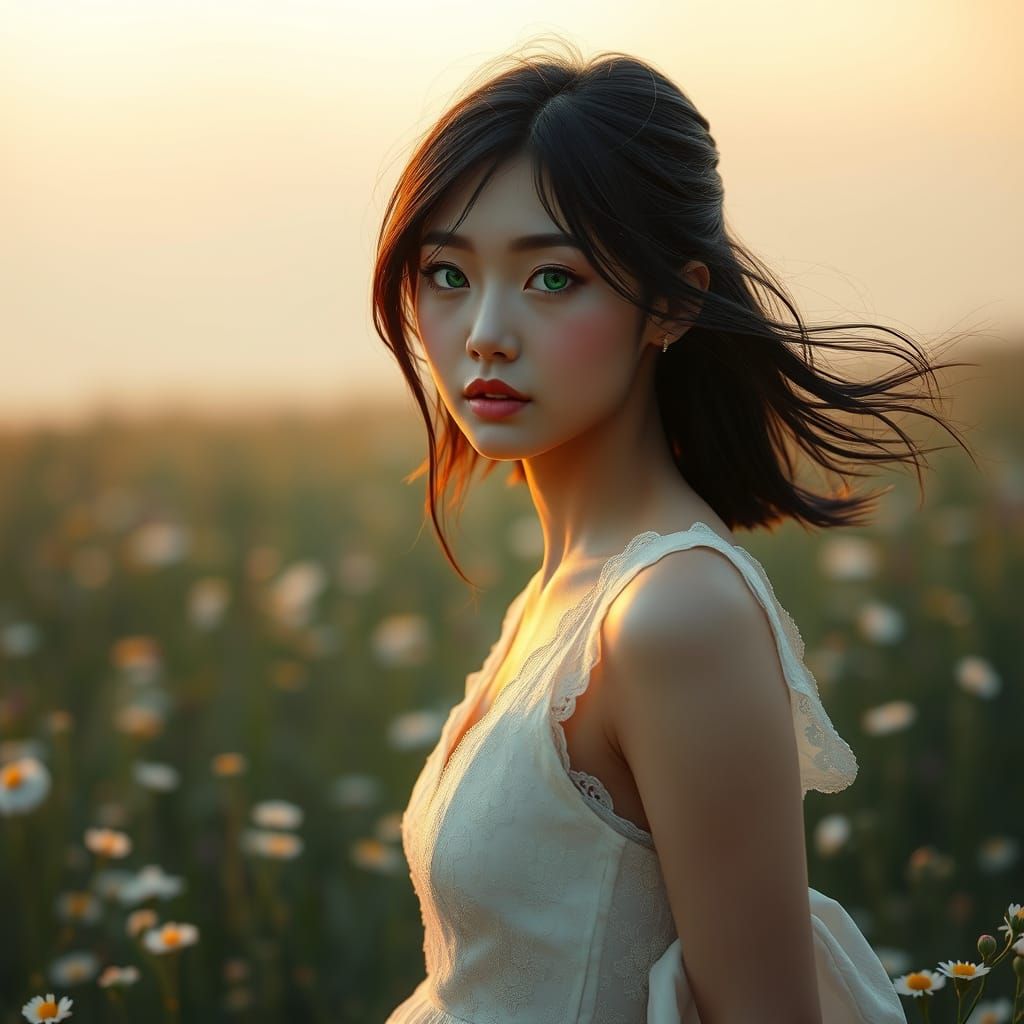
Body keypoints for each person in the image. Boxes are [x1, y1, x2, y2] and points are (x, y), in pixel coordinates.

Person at [371, 37, 975, 1024]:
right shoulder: (563, 592)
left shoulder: (674, 612)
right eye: (445, 273)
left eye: (551, 276)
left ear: (673, 300)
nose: (483, 329)